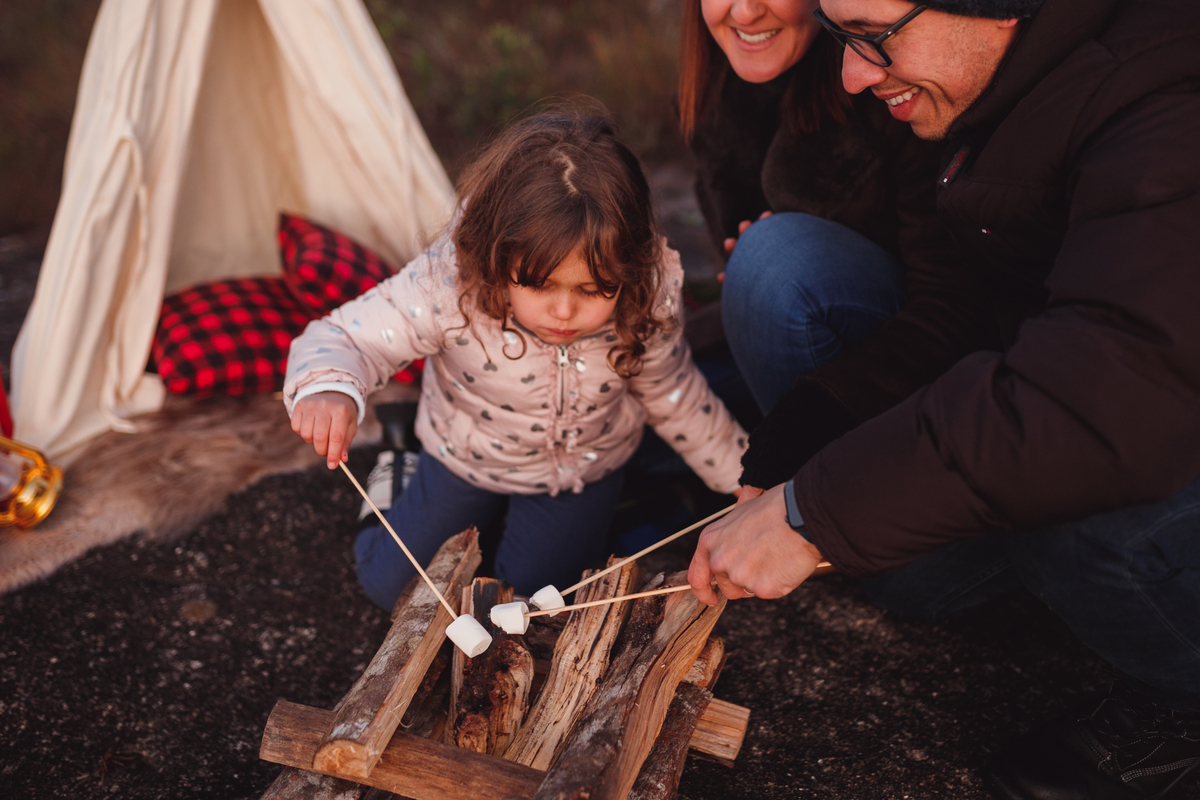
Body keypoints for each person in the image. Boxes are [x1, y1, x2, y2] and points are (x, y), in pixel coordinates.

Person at [688, 1, 1200, 798]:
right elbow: (965, 305)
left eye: (872, 38)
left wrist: (814, 514)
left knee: (1063, 503)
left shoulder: (1166, 104)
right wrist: (811, 434)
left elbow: (1099, 403)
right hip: (1084, 401)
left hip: (1146, 427)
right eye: (840, 38)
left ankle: (1182, 704)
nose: (853, 75)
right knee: (907, 572)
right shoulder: (994, 89)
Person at [283, 111, 746, 611]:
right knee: (392, 588)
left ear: (628, 269)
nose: (564, 311)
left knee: (530, 607)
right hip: (463, 457)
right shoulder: (449, 286)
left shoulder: (646, 296)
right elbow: (349, 337)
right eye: (540, 285)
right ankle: (399, 461)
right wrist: (327, 386)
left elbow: (673, 393)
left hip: (580, 472)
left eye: (593, 290)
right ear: (496, 258)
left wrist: (746, 482)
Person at [681, 0, 994, 418]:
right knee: (612, 401)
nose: (744, 13)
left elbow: (959, 303)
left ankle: (807, 469)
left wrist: (783, 261)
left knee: (774, 260)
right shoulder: (715, 92)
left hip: (919, 355)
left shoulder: (896, 76)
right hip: (785, 347)